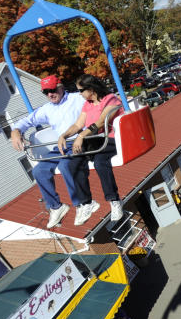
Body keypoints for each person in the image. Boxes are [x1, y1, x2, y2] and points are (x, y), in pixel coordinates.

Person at [10, 75, 87, 228]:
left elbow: (98, 101)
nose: (50, 94)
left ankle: (82, 205)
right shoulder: (47, 109)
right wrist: (16, 132)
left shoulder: (77, 99)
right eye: (46, 92)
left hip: (79, 141)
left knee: (66, 166)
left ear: (61, 87)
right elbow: (26, 121)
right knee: (39, 171)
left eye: (52, 90)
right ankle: (56, 207)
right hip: (61, 145)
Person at [58, 75, 124, 223]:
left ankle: (114, 200)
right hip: (94, 140)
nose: (79, 94)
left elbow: (101, 122)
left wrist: (81, 136)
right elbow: (78, 125)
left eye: (81, 90)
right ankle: (87, 202)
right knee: (73, 163)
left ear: (91, 89)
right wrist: (64, 135)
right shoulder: (87, 104)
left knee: (100, 162)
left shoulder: (111, 100)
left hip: (112, 138)